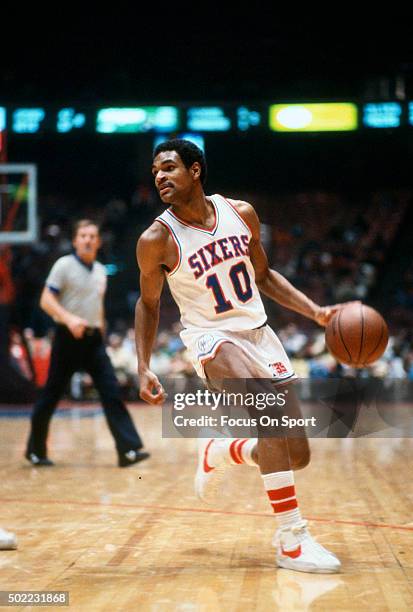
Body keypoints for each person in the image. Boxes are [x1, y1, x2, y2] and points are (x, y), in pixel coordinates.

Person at [135, 139, 342, 574]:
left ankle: (224, 450)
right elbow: (149, 305)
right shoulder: (156, 238)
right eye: (155, 170)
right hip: (211, 338)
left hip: (259, 334)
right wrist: (143, 364)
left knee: (295, 453)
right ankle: (291, 539)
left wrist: (315, 310)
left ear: (196, 170)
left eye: (169, 167)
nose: (159, 177)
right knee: (267, 408)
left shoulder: (240, 213)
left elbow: (263, 274)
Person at [26, 220, 149, 468]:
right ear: (75, 241)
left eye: (92, 236)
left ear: (98, 241)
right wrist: (69, 319)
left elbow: (98, 307)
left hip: (93, 341)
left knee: (111, 392)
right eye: (83, 235)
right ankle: (35, 451)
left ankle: (128, 450)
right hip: (67, 338)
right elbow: (46, 300)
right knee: (51, 395)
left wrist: (100, 330)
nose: (88, 240)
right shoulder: (64, 265)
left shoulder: (101, 271)